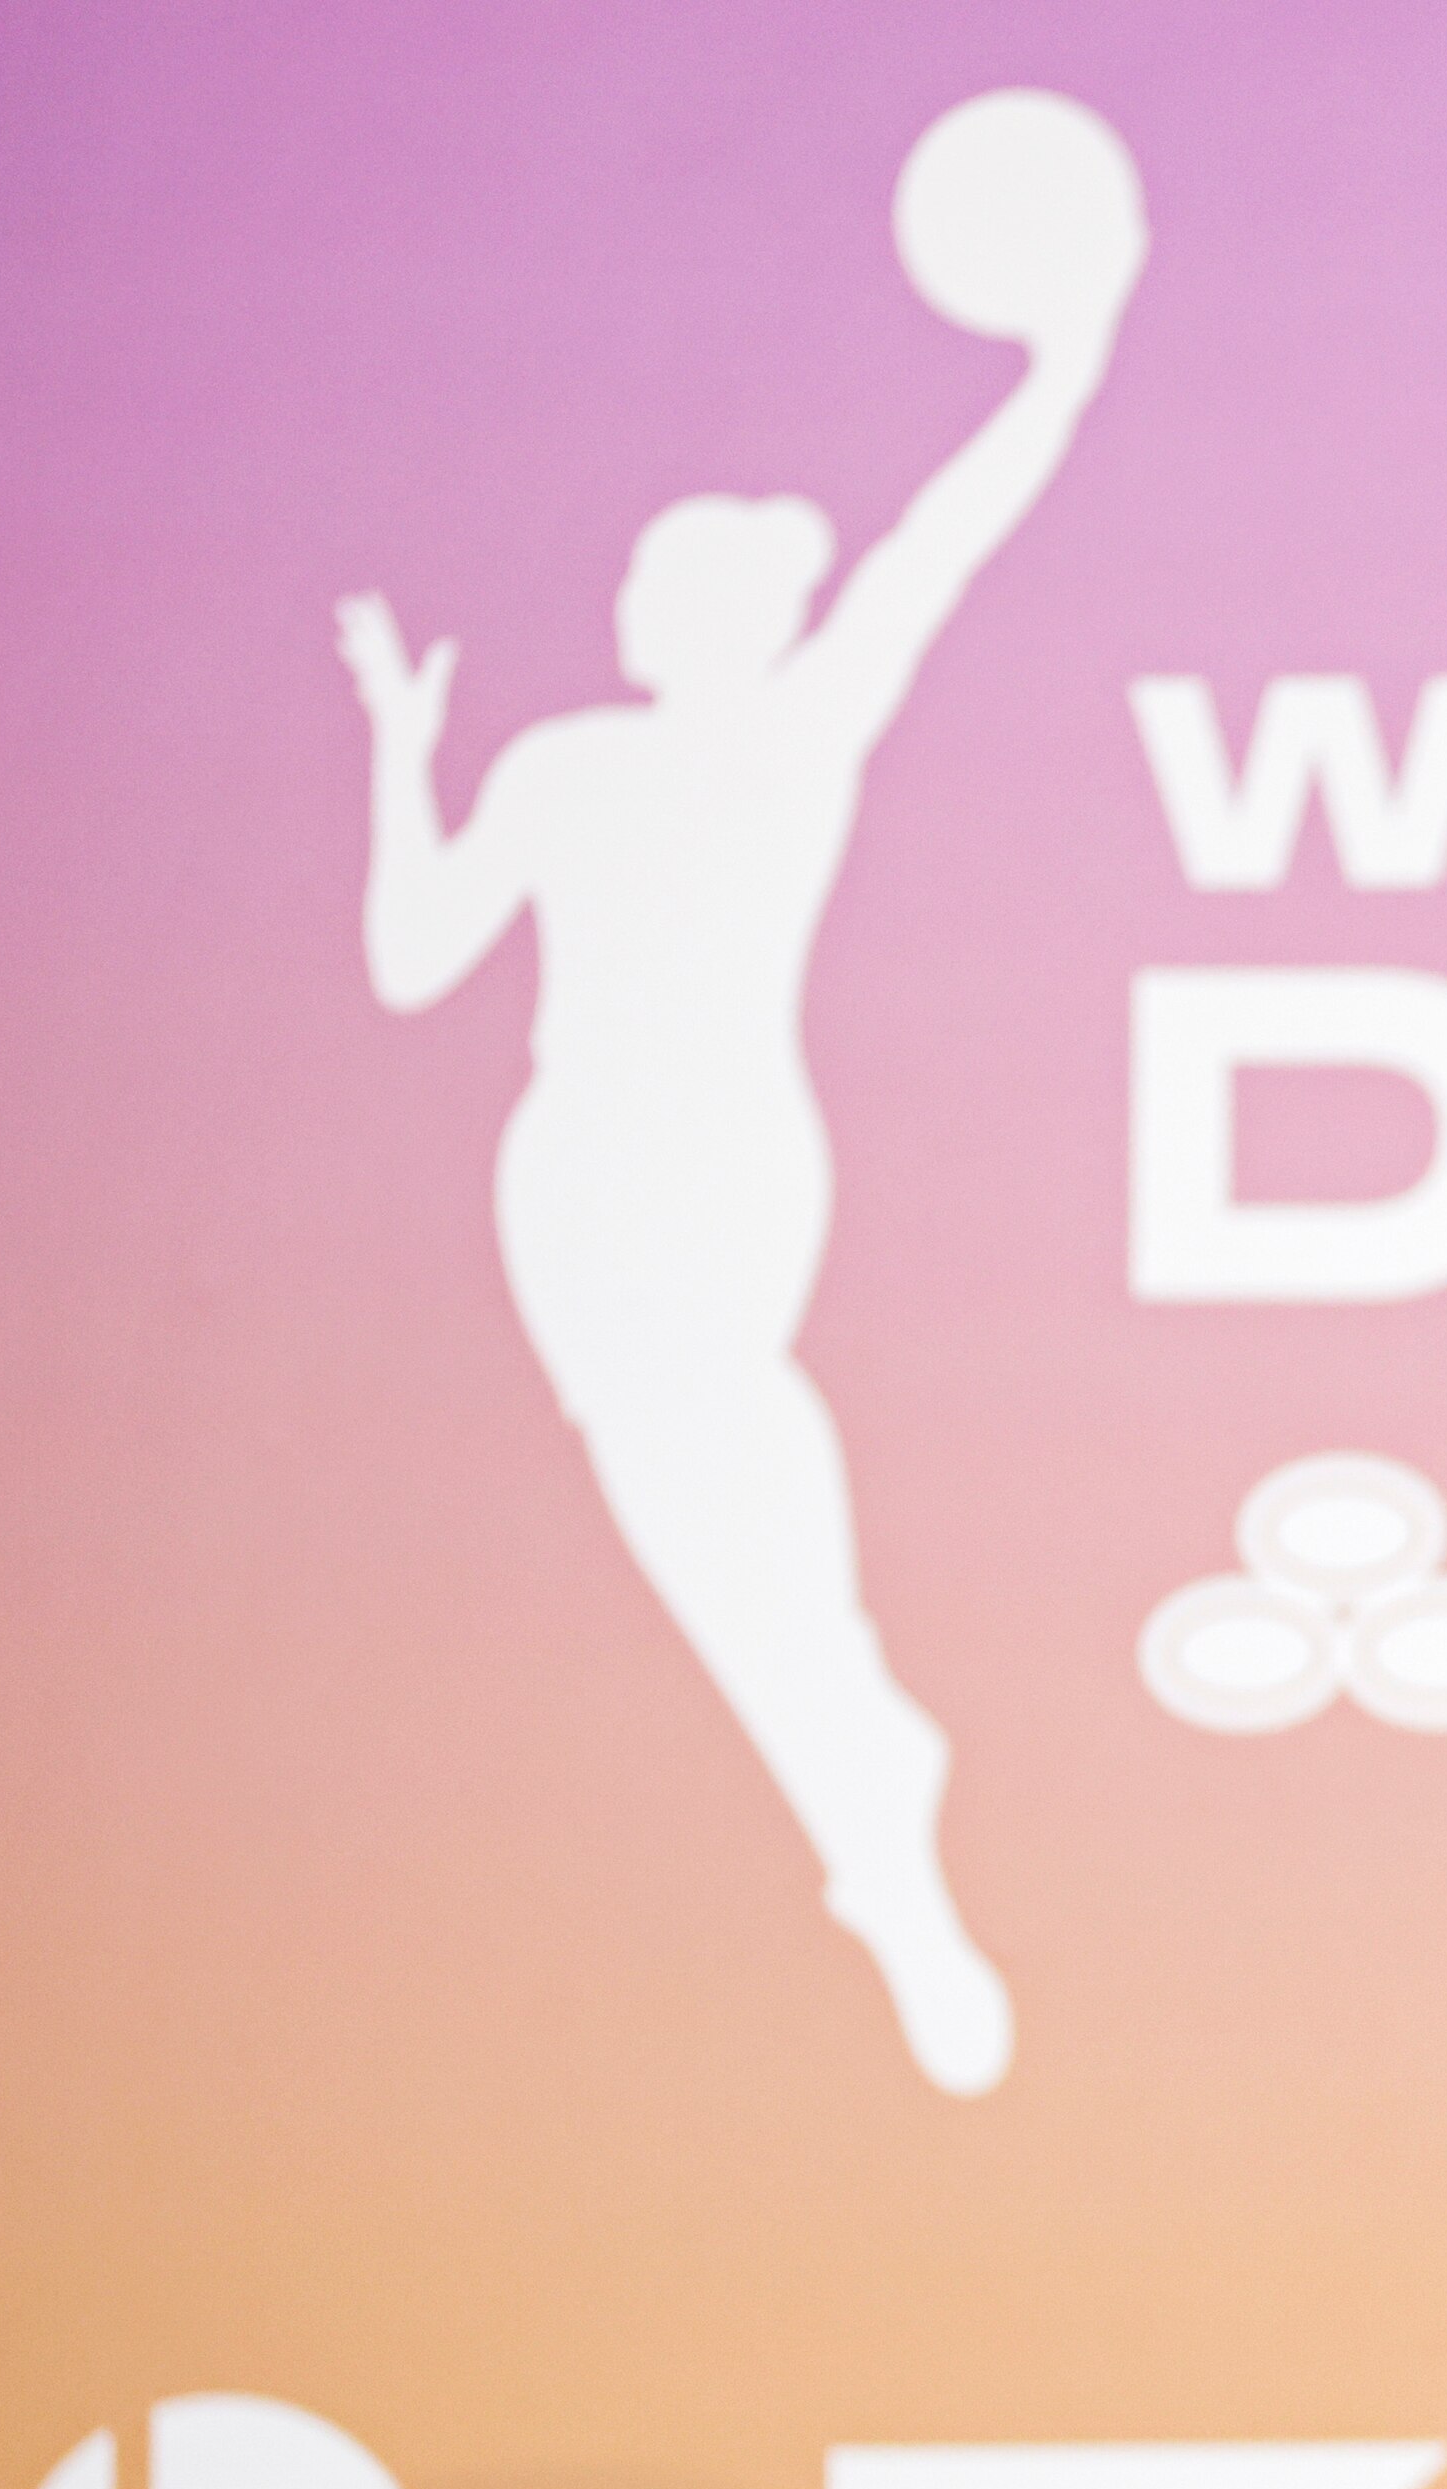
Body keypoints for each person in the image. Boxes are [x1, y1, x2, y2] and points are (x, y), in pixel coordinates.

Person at [327, 100, 1141, 2096]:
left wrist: (1071, 359)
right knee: (697, 1498)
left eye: (685, 591)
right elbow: (416, 957)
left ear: (738, 619)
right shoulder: (557, 766)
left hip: (724, 1169)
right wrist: (398, 752)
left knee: (732, 1480)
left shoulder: (794, 731)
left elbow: (939, 546)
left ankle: (872, 1795)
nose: (647, 615)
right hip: (571, 1176)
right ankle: (870, 1781)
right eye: (644, 593)